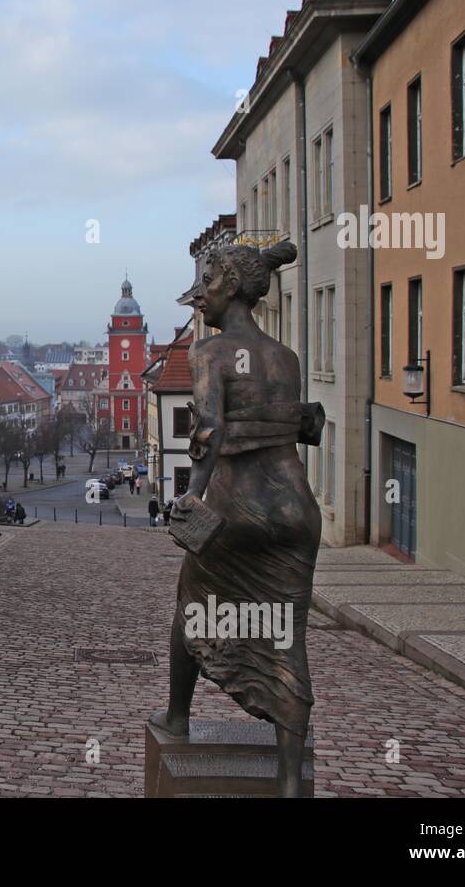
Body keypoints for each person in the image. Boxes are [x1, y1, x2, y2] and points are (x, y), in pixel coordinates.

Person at [153, 237, 322, 798]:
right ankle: (291, 781)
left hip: (237, 509)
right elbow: (299, 425)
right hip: (295, 511)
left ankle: (177, 718)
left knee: (191, 608)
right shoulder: (287, 357)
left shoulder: (211, 354)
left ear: (230, 285)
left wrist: (193, 501)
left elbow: (209, 430)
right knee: (288, 636)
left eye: (207, 281)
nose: (199, 294)